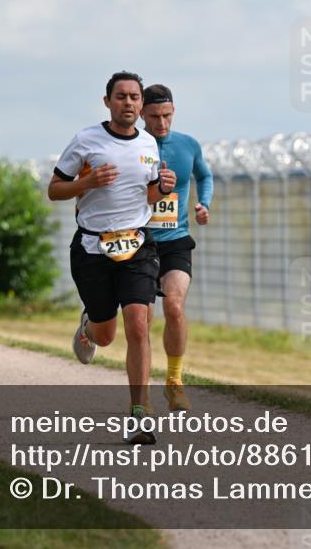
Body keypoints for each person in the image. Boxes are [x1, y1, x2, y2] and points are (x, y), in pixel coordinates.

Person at [48, 70, 177, 444]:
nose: (129, 103)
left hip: (137, 244)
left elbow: (149, 196)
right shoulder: (86, 140)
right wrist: (87, 183)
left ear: (141, 104)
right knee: (106, 336)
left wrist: (161, 187)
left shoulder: (150, 144)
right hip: (93, 247)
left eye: (135, 98)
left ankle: (140, 414)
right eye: (121, 97)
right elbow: (54, 190)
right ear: (107, 102)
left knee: (138, 324)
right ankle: (90, 326)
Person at [141, 84, 214, 412]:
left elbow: (205, 176)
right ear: (142, 113)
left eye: (167, 115)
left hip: (175, 241)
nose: (162, 123)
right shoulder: (132, 145)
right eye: (155, 116)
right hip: (138, 242)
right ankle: (140, 394)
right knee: (142, 319)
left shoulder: (188, 144)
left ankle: (174, 381)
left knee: (175, 307)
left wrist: (204, 204)